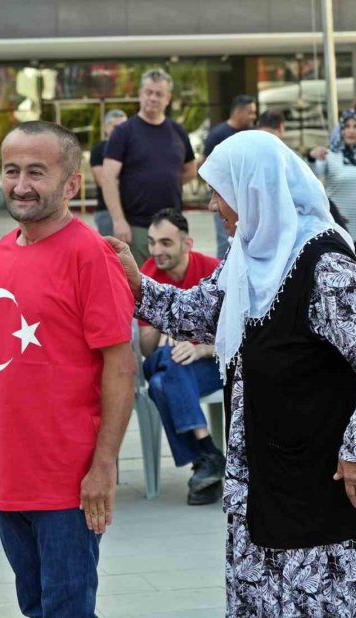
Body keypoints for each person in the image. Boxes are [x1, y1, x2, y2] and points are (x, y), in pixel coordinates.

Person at [110, 129, 356, 616]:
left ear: (254, 192)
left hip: (331, 483)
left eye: (219, 191)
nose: (211, 205)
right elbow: (199, 314)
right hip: (271, 475)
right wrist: (136, 284)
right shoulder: (248, 258)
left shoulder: (323, 268)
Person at [0, 121, 136, 616]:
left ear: (71, 184)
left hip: (67, 482)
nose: (21, 185)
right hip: (10, 475)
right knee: (34, 606)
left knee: (67, 610)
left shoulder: (91, 255)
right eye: (11, 171)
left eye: (36, 172)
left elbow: (120, 366)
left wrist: (104, 465)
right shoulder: (4, 250)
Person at [138, 208, 224, 505]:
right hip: (166, 359)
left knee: (161, 383)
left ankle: (205, 460)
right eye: (151, 242)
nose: (155, 251)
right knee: (167, 358)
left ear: (187, 243)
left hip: (213, 362)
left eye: (165, 243)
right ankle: (209, 454)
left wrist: (200, 347)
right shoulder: (147, 276)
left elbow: (240, 335)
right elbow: (146, 350)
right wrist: (160, 326)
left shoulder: (214, 271)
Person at [101, 69, 197, 265]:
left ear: (168, 98)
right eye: (149, 92)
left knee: (173, 286)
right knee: (139, 288)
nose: (153, 98)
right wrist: (119, 221)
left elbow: (190, 170)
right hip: (136, 227)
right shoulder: (123, 132)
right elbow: (109, 178)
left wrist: (165, 181)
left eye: (159, 94)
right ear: (140, 94)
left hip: (172, 225)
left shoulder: (178, 131)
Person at [309, 110, 356, 267]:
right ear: (341, 130)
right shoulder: (330, 155)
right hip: (340, 230)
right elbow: (311, 176)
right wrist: (311, 156)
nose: (351, 131)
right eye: (347, 126)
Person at [203, 95, 258, 259]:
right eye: (250, 112)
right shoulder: (218, 134)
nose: (254, 117)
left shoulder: (251, 134)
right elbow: (206, 165)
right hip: (224, 197)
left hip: (245, 198)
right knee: (225, 240)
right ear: (238, 112)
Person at [89, 109, 127, 236]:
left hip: (133, 212)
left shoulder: (132, 149)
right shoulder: (99, 150)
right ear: (106, 128)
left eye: (124, 127)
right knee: (112, 253)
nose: (120, 130)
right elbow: (103, 181)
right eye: (115, 127)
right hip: (106, 212)